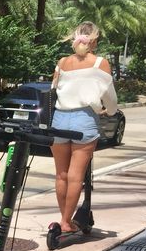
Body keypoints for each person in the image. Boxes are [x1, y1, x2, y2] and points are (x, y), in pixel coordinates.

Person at [49, 21, 118, 234]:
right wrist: (110, 111)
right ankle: (65, 221)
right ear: (94, 41)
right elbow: (111, 98)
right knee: (75, 176)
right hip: (85, 120)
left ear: (74, 38)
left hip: (59, 119)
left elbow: (54, 88)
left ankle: (65, 220)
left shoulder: (62, 62)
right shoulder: (100, 64)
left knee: (61, 174)